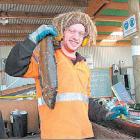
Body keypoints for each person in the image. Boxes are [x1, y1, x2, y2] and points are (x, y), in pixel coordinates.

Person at [5, 11, 128, 139]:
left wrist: (106, 113)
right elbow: (13, 68)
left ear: (84, 38)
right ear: (62, 33)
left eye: (81, 33)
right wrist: (32, 39)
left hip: (85, 134)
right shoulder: (45, 59)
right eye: (71, 31)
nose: (76, 37)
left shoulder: (83, 66)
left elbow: (85, 102)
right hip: (57, 135)